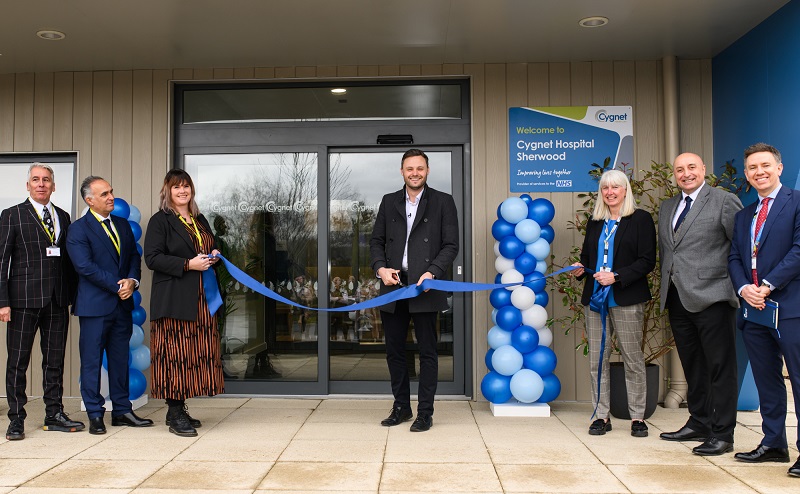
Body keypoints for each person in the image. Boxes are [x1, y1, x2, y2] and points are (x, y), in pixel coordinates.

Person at [657, 153, 743, 455]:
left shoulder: (723, 200)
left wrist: (739, 286)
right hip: (677, 298)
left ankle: (723, 433)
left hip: (714, 297)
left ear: (704, 169)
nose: (686, 173)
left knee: (721, 367)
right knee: (694, 366)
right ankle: (700, 421)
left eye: (691, 167)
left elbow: (740, 246)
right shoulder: (668, 206)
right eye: (680, 170)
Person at [369, 148, 459, 432]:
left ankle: (425, 412)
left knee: (427, 351)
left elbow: (450, 245)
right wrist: (381, 268)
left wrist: (432, 272)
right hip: (394, 286)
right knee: (395, 350)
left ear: (427, 170)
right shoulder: (388, 201)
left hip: (425, 285)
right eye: (410, 169)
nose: (415, 173)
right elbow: (375, 242)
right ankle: (401, 407)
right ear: (402, 171)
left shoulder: (443, 202)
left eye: (420, 168)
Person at [728, 143, 800, 477]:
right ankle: (773, 443)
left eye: (765, 165)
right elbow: (735, 258)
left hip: (789, 308)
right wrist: (745, 289)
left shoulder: (797, 203)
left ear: (779, 168)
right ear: (747, 175)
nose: (760, 172)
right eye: (753, 168)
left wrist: (767, 285)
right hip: (754, 311)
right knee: (767, 381)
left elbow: (799, 251)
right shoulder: (744, 215)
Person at [1, 164, 83, 440]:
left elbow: (69, 262)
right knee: (18, 361)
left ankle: (54, 412)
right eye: (35, 180)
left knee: (55, 361)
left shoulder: (63, 216)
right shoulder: (12, 215)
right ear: (27, 185)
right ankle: (16, 419)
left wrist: (72, 296)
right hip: (23, 300)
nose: (41, 184)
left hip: (57, 300)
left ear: (53, 185)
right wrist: (3, 301)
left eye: (46, 180)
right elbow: (2, 263)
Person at [571, 169, 656, 438]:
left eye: (615, 187)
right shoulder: (595, 221)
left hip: (626, 297)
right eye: (605, 188)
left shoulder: (640, 219)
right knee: (598, 360)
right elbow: (587, 257)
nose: (610, 192)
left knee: (632, 358)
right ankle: (601, 415)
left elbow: (647, 260)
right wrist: (580, 268)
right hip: (595, 299)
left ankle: (638, 417)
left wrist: (617, 276)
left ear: (625, 190)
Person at [66, 176, 153, 435]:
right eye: (104, 194)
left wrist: (132, 281)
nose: (111, 197)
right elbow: (84, 267)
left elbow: (133, 258)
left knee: (119, 360)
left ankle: (122, 411)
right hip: (94, 307)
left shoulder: (123, 226)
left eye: (111, 192)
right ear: (89, 200)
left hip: (122, 306)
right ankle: (95, 413)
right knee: (92, 362)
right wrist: (118, 285)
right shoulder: (79, 229)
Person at [143, 169, 225, 437]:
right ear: (167, 191)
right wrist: (187, 264)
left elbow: (206, 246)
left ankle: (177, 409)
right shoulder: (160, 221)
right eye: (176, 187)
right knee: (175, 354)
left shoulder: (200, 219)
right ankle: (175, 411)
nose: (182, 191)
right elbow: (152, 259)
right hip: (174, 298)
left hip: (202, 299)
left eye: (186, 186)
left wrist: (213, 253)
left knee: (195, 354)